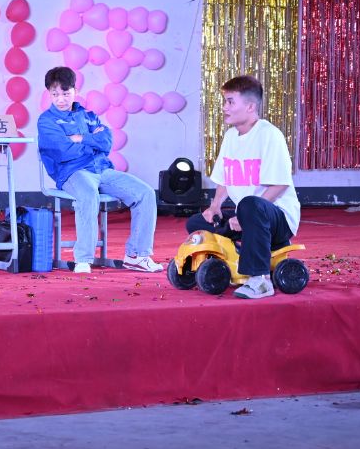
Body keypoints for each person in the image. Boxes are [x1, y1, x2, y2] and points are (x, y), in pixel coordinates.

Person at [37, 66, 162, 274]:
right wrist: (91, 143)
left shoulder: (88, 115)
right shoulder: (46, 120)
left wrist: (80, 138)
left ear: (75, 91)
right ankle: (83, 259)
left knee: (145, 193)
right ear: (49, 94)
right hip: (72, 172)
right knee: (88, 195)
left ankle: (137, 256)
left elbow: (106, 141)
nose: (60, 99)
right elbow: (62, 151)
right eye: (55, 94)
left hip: (101, 169)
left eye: (65, 93)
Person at [186, 75, 300, 299]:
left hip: (277, 218)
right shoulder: (230, 136)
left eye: (230, 102)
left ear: (250, 106)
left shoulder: (269, 135)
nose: (224, 107)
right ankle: (223, 264)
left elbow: (279, 184)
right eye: (224, 102)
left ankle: (260, 280)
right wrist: (215, 206)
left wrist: (244, 216)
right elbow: (224, 179)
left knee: (249, 205)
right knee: (197, 223)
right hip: (247, 215)